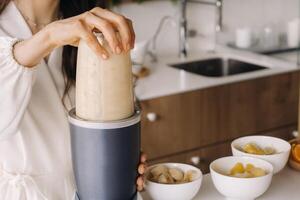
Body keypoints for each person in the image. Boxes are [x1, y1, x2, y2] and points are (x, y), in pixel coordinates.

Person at [0, 0, 146, 199]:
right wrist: (49, 37)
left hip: (87, 191)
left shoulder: (93, 26)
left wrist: (122, 164)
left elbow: (106, 127)